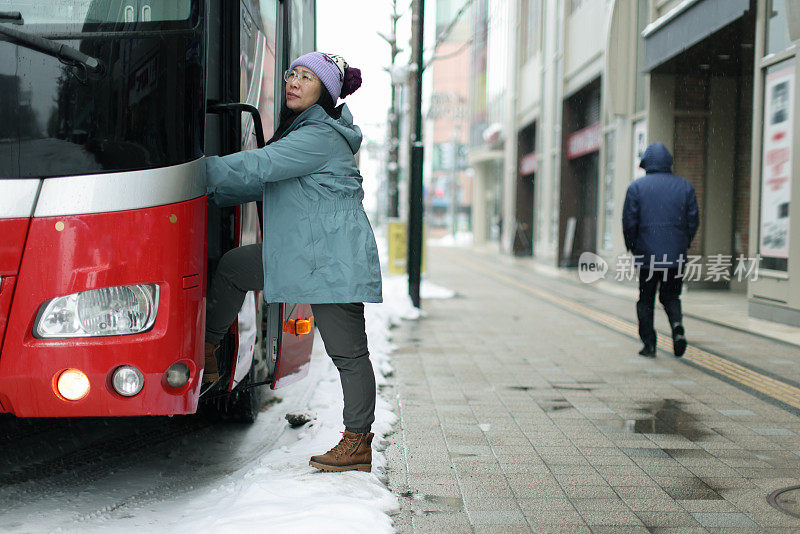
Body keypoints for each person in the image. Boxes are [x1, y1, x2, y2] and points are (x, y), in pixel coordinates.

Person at [204, 52, 382, 473]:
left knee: (349, 354)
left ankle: (357, 442)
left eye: (307, 77)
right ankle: (208, 352)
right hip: (305, 253)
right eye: (293, 74)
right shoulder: (304, 132)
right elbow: (268, 183)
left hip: (331, 260)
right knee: (234, 268)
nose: (295, 82)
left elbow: (260, 165)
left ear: (325, 92)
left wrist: (191, 173)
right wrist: (213, 193)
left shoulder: (317, 135)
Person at [622, 142, 699, 358]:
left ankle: (649, 344)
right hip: (675, 256)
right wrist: (684, 242)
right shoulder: (685, 187)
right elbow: (693, 220)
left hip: (647, 256)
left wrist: (632, 246)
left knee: (646, 299)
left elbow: (629, 222)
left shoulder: (636, 188)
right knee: (671, 296)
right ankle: (676, 327)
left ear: (646, 163)